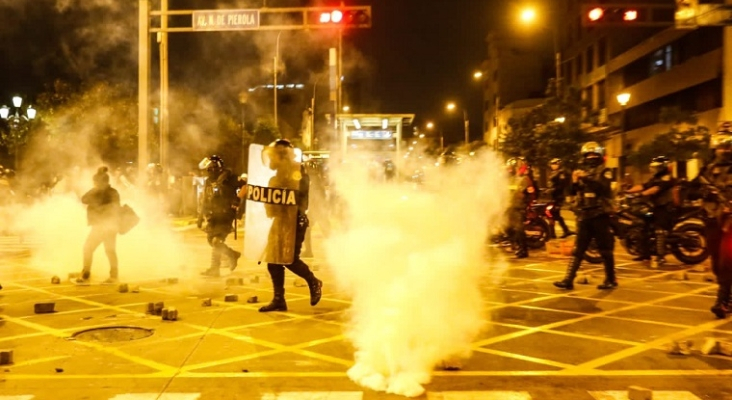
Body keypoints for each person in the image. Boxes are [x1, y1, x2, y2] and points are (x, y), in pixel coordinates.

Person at [259, 139, 322, 312]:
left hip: (295, 220)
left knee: (289, 258)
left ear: (282, 156)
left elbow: (299, 200)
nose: (271, 160)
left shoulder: (298, 173)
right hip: (280, 221)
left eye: (274, 156)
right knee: (273, 261)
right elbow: (271, 207)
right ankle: (279, 299)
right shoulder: (277, 177)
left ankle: (313, 281)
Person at [554, 142, 617, 290]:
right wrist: (574, 181)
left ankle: (611, 279)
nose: (591, 157)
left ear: (600, 156)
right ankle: (568, 279)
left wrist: (585, 178)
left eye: (594, 155)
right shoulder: (581, 171)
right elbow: (573, 192)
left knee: (605, 249)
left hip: (600, 214)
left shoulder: (605, 171)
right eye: (588, 155)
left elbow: (603, 188)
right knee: (578, 249)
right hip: (584, 214)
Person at [689, 132, 732, 318]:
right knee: (716, 263)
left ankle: (722, 301)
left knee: (726, 260)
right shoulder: (707, 169)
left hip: (729, 221)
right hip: (711, 220)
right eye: (721, 147)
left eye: (727, 147)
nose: (724, 151)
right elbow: (691, 191)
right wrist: (704, 193)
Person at [625, 156, 676, 266]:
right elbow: (643, 186)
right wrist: (628, 191)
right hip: (655, 207)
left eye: (656, 168)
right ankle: (645, 254)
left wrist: (640, 194)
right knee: (643, 227)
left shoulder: (667, 178)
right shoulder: (655, 178)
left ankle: (661, 256)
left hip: (665, 208)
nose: (653, 170)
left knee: (659, 230)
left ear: (662, 168)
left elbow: (654, 189)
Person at [198, 155, 243, 277]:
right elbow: (206, 200)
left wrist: (237, 201)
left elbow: (245, 187)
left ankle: (232, 255)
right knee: (211, 241)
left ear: (213, 168)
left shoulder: (230, 178)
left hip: (225, 215)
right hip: (213, 216)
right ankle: (215, 269)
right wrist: (201, 216)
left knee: (217, 241)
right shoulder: (209, 181)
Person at [76, 167, 121, 285]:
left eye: (96, 182)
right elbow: (84, 199)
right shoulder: (97, 191)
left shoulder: (112, 193)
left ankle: (110, 275)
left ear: (104, 182)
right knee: (100, 249)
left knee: (107, 250)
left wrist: (101, 208)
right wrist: (95, 191)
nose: (95, 184)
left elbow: (115, 207)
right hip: (101, 225)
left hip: (108, 225)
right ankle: (87, 272)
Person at [506, 157, 536, 259]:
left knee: (519, 229)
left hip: (519, 207)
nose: (509, 169)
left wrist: (526, 204)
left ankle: (523, 250)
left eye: (511, 167)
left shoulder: (525, 179)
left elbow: (531, 194)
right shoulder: (511, 179)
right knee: (508, 228)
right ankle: (516, 245)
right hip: (510, 206)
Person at [301, 160, 331, 258]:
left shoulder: (314, 179)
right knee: (326, 231)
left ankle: (309, 251)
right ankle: (337, 249)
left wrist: (311, 209)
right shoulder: (316, 178)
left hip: (317, 210)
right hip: (319, 209)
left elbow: (315, 196)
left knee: (308, 229)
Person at [548, 158, 574, 239]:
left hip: (557, 197)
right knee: (554, 215)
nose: (553, 166)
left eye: (555, 164)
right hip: (552, 197)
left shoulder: (561, 173)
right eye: (552, 164)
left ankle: (553, 234)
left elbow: (561, 186)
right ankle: (565, 231)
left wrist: (553, 190)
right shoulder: (554, 173)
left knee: (551, 214)